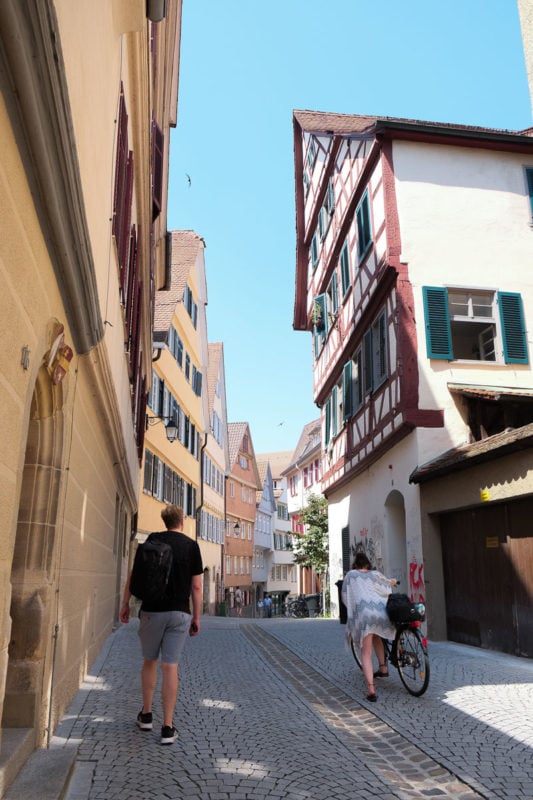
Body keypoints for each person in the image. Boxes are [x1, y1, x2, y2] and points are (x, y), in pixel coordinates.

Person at [120, 505, 203, 745]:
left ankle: (146, 716)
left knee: (149, 662)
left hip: (151, 610)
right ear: (182, 522)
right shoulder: (191, 546)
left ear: (164, 521)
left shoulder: (151, 541)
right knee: (170, 667)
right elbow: (196, 587)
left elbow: (133, 576)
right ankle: (167, 727)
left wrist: (126, 604)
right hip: (179, 613)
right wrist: (196, 617)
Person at [341, 552, 397, 702]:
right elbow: (387, 586)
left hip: (365, 616)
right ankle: (383, 668)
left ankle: (371, 690)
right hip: (380, 614)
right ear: (367, 563)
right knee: (377, 635)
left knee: (365, 653)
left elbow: (345, 596)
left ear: (355, 564)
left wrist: (353, 610)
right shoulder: (375, 574)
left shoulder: (351, 576)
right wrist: (393, 581)